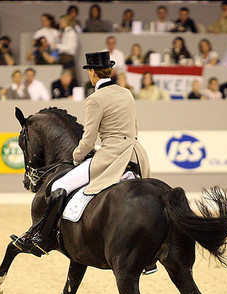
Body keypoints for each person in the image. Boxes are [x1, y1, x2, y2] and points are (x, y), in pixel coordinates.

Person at [16, 50, 151, 258]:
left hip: (111, 156)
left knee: (59, 186)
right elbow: (134, 128)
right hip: (136, 154)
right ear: (109, 71)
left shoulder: (95, 99)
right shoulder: (127, 93)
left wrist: (77, 157)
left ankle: (41, 239)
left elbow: (88, 139)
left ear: (93, 73)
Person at [56, 15, 78, 82]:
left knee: (69, 78)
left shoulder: (71, 33)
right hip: (63, 58)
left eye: (62, 21)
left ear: (67, 22)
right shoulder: (64, 32)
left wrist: (57, 46)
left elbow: (70, 47)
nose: (60, 23)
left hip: (68, 58)